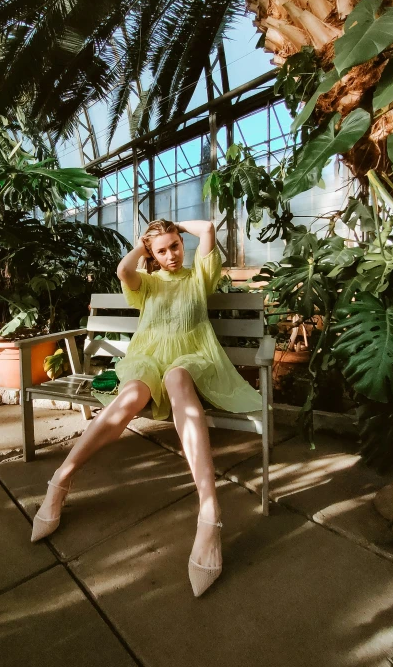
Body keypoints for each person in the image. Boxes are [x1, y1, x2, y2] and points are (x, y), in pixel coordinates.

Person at [31, 218, 262, 597]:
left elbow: (206, 228)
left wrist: (171, 228)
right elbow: (124, 270)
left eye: (174, 246)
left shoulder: (199, 276)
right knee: (130, 396)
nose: (171, 254)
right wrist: (144, 244)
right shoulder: (148, 283)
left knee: (176, 378)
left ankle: (210, 513)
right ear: (151, 255)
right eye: (163, 249)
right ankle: (61, 479)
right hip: (146, 359)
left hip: (191, 357)